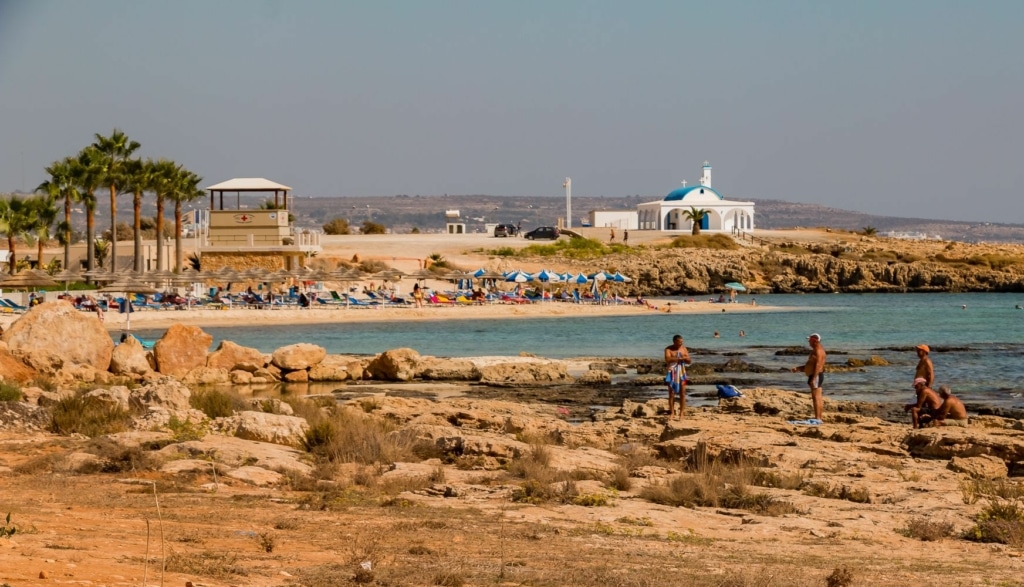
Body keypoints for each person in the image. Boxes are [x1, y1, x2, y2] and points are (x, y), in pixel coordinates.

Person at [791, 333, 826, 421]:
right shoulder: (815, 350)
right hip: (815, 375)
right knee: (817, 397)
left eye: (809, 340)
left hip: (816, 376)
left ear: (815, 341)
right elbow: (811, 365)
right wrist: (799, 368)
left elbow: (818, 366)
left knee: (816, 397)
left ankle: (818, 419)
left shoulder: (818, 351)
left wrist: (813, 379)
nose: (808, 342)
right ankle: (818, 418)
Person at [664, 335, 691, 420]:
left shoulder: (684, 349)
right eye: (680, 342)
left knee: (682, 393)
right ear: (675, 341)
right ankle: (672, 412)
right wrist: (680, 358)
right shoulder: (668, 349)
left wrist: (685, 359)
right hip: (672, 372)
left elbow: (689, 361)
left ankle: (681, 413)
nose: (681, 343)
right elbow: (667, 359)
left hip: (682, 372)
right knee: (671, 393)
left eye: (682, 342)